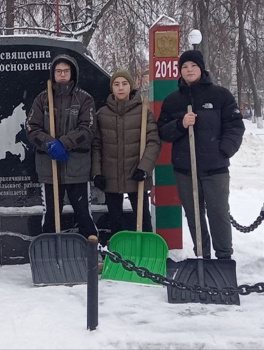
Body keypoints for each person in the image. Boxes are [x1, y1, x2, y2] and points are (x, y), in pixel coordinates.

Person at [157, 50, 244, 260]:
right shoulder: (172, 101)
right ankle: (202, 257)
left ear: (201, 68)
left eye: (193, 66)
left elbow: (235, 126)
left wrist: (223, 150)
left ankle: (223, 257)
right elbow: (162, 131)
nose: (189, 70)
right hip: (185, 170)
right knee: (194, 216)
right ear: (180, 71)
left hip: (215, 169)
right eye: (185, 67)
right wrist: (180, 124)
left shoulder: (220, 95)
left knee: (219, 214)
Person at [26, 54, 98, 238]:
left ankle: (90, 253)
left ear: (72, 73)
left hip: (77, 168)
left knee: (83, 215)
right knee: (51, 216)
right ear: (53, 74)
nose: (63, 74)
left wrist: (63, 143)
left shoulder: (84, 99)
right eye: (59, 71)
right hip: (49, 170)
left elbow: (88, 130)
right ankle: (50, 255)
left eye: (66, 71)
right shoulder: (42, 99)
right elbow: (32, 129)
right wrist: (50, 144)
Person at [91, 70, 160, 239]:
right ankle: (119, 255)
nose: (120, 88)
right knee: (115, 220)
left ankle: (146, 252)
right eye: (116, 84)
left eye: (124, 84)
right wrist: (97, 173)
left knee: (142, 218)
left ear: (130, 86)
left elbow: (153, 142)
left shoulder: (144, 112)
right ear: (112, 88)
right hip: (111, 175)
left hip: (136, 175)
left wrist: (144, 168)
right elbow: (96, 145)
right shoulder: (102, 114)